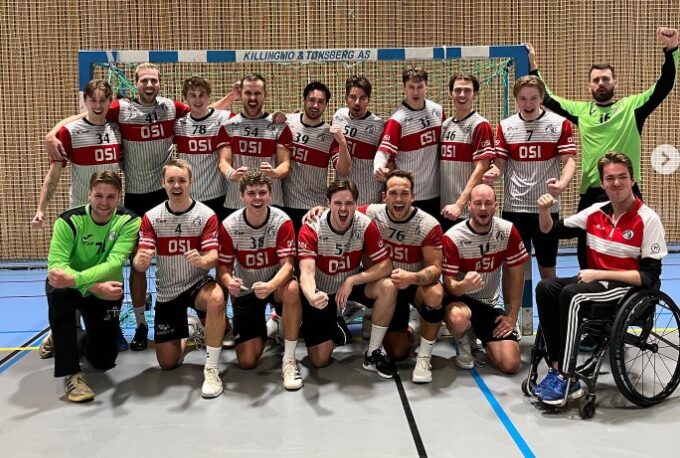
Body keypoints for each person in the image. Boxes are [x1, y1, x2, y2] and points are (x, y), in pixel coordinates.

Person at [46, 63, 238, 351]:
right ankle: (140, 325)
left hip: (166, 195)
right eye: (144, 80)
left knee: (189, 255)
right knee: (138, 264)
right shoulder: (121, 109)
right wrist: (53, 132)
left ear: (160, 82)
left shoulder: (170, 108)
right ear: (136, 83)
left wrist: (231, 98)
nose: (149, 85)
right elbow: (90, 113)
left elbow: (203, 111)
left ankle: (208, 315)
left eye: (154, 80)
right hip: (135, 198)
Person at [527, 27, 678, 267]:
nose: (601, 83)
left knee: (632, 254)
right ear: (589, 86)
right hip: (592, 193)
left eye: (605, 79)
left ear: (615, 82)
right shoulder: (582, 111)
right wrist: (533, 66)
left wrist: (672, 50)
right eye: (596, 80)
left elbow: (663, 86)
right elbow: (548, 98)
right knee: (586, 257)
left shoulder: (632, 107)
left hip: (626, 191)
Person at [533, 152, 667, 404]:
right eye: (610, 178)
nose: (616, 183)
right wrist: (544, 210)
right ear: (603, 183)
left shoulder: (648, 219)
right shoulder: (595, 212)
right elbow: (550, 231)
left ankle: (567, 376)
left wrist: (600, 273)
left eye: (622, 177)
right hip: (596, 284)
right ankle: (557, 368)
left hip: (628, 290)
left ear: (633, 180)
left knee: (572, 295)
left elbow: (649, 278)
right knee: (546, 287)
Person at [303, 171, 445, 383]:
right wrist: (323, 210)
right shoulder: (367, 214)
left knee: (429, 292)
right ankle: (347, 321)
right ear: (384, 196)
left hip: (410, 282)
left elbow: (433, 269)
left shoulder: (427, 224)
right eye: (393, 193)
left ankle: (413, 354)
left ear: (413, 196)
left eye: (404, 193)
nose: (398, 199)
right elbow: (344, 210)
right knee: (322, 360)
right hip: (356, 284)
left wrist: (412, 277)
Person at [133, 159, 226, 399]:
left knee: (217, 297)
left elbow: (214, 255)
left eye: (182, 180)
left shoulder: (205, 215)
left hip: (197, 284)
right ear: (163, 183)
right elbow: (140, 260)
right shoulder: (152, 217)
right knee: (168, 363)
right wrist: (140, 261)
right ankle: (191, 328)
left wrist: (203, 261)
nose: (177, 185)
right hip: (167, 291)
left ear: (190, 183)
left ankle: (211, 369)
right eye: (171, 180)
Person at [46, 171, 140, 402]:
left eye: (110, 197)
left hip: (106, 292)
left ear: (119, 196)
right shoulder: (69, 221)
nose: (104, 203)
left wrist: (79, 281)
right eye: (99, 196)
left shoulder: (129, 221)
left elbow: (114, 263)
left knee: (104, 360)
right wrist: (93, 286)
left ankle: (62, 337)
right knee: (59, 291)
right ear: (89, 194)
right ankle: (72, 374)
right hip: (74, 288)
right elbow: (57, 268)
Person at [297, 180, 398, 377]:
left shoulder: (364, 223)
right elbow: (306, 273)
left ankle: (373, 353)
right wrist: (311, 297)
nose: (343, 208)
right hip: (321, 291)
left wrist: (352, 280)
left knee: (388, 286)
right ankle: (336, 320)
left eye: (349, 203)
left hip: (349, 285)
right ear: (328, 203)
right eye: (338, 203)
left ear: (356, 204)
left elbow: (386, 265)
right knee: (319, 360)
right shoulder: (312, 227)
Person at [217, 171, 303, 390]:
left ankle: (289, 360)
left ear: (270, 195)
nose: (257, 198)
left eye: (262, 192)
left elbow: (288, 265)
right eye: (251, 193)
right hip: (246, 289)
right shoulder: (230, 225)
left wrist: (271, 285)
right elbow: (223, 268)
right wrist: (229, 282)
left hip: (275, 286)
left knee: (293, 288)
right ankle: (272, 324)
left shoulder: (281, 221)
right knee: (247, 362)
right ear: (242, 196)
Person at [484, 76, 576, 279]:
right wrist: (493, 173)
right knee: (515, 270)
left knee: (547, 268)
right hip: (515, 208)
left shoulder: (559, 124)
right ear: (516, 99)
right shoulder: (506, 126)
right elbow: (499, 164)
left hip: (546, 207)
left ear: (542, 97)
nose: (528, 104)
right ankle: (516, 303)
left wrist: (562, 183)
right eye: (523, 98)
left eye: (533, 98)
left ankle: (548, 302)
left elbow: (569, 161)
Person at [441, 184, 528, 374]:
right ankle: (464, 339)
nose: (483, 208)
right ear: (469, 206)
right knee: (458, 319)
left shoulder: (507, 230)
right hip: (460, 300)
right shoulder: (453, 237)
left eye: (488, 203)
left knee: (510, 364)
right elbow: (449, 287)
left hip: (489, 304)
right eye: (478, 203)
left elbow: (516, 274)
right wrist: (464, 285)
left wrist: (512, 316)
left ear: (495, 206)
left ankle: (479, 334)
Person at [374, 66, 444, 217]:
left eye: (420, 87)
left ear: (426, 85)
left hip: (437, 193)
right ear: (404, 87)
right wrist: (378, 167)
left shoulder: (437, 111)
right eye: (411, 87)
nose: (416, 92)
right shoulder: (397, 119)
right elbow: (383, 152)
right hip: (410, 195)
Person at [220, 73, 292, 218]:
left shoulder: (279, 126)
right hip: (236, 202)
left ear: (265, 94)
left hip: (271, 202)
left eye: (257, 93)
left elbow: (285, 164)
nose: (252, 98)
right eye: (248, 93)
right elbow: (223, 162)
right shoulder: (228, 126)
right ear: (241, 94)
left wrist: (274, 173)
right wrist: (232, 174)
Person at [282, 81, 347, 232]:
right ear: (304, 100)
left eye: (321, 102)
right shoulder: (288, 122)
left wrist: (342, 143)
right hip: (286, 206)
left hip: (315, 209)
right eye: (312, 100)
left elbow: (344, 170)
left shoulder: (330, 135)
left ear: (326, 105)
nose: (315, 105)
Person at [439, 74, 495, 232]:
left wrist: (459, 204)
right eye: (457, 90)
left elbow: (481, 168)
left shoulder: (480, 125)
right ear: (450, 93)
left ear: (475, 94)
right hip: (445, 209)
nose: (462, 95)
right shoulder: (445, 125)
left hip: (466, 212)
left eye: (467, 90)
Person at [174, 76, 232, 221]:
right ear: (186, 98)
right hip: (188, 197)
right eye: (192, 95)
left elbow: (250, 120)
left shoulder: (223, 119)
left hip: (218, 196)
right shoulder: (178, 125)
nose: (198, 100)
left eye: (202, 95)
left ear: (209, 97)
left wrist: (276, 117)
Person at [331, 76, 385, 205]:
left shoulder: (379, 126)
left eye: (362, 98)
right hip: (343, 197)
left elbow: (387, 164)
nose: (357, 102)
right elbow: (343, 171)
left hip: (369, 197)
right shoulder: (338, 117)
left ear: (368, 100)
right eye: (353, 97)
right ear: (346, 98)